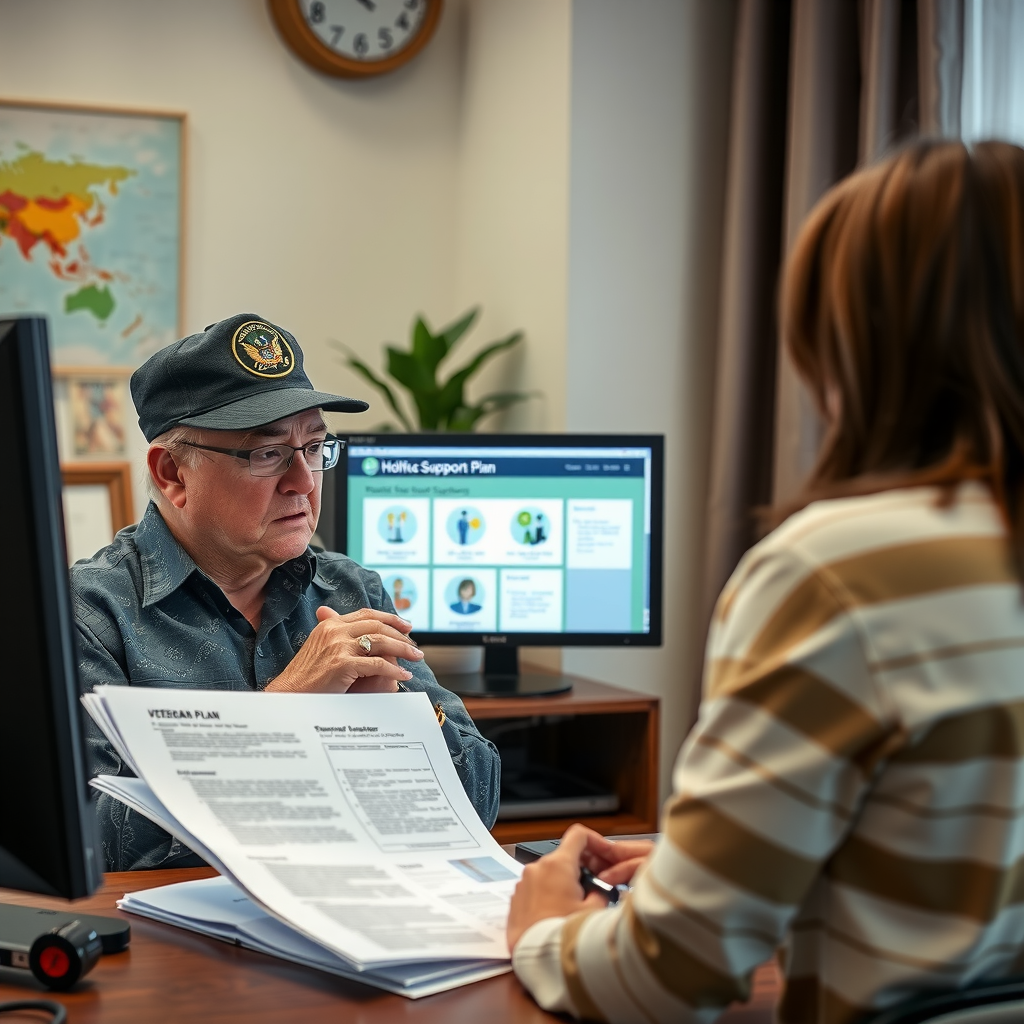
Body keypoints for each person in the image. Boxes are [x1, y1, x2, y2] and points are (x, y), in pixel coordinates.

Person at [508, 139, 1024, 1023]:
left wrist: (544, 929)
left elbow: (669, 979)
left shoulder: (838, 571)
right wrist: (737, 871)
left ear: (854, 341)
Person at [72, 314, 500, 871]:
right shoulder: (87, 614)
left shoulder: (350, 589)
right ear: (173, 472)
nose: (303, 482)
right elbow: (87, 833)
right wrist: (285, 711)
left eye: (315, 447)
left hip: (347, 903)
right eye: (268, 454)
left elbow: (479, 803)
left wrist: (401, 715)